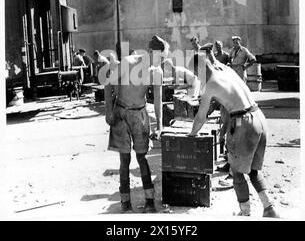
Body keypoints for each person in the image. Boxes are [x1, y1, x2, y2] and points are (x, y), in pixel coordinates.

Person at [187, 51, 280, 218]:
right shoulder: (226, 70)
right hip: (259, 117)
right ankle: (269, 209)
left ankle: (245, 213)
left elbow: (201, 116)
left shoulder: (211, 85)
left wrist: (192, 134)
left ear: (200, 69)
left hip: (244, 123)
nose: (197, 77)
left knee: (236, 172)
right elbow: (213, 61)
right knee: (253, 170)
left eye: (196, 73)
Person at [104, 35, 168, 213]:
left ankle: (149, 200)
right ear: (149, 52)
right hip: (121, 113)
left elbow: (158, 101)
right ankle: (125, 203)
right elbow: (108, 85)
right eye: (159, 57)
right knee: (125, 159)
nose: (160, 61)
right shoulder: (127, 62)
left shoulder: (157, 71)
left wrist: (160, 125)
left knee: (142, 157)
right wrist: (109, 112)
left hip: (139, 114)